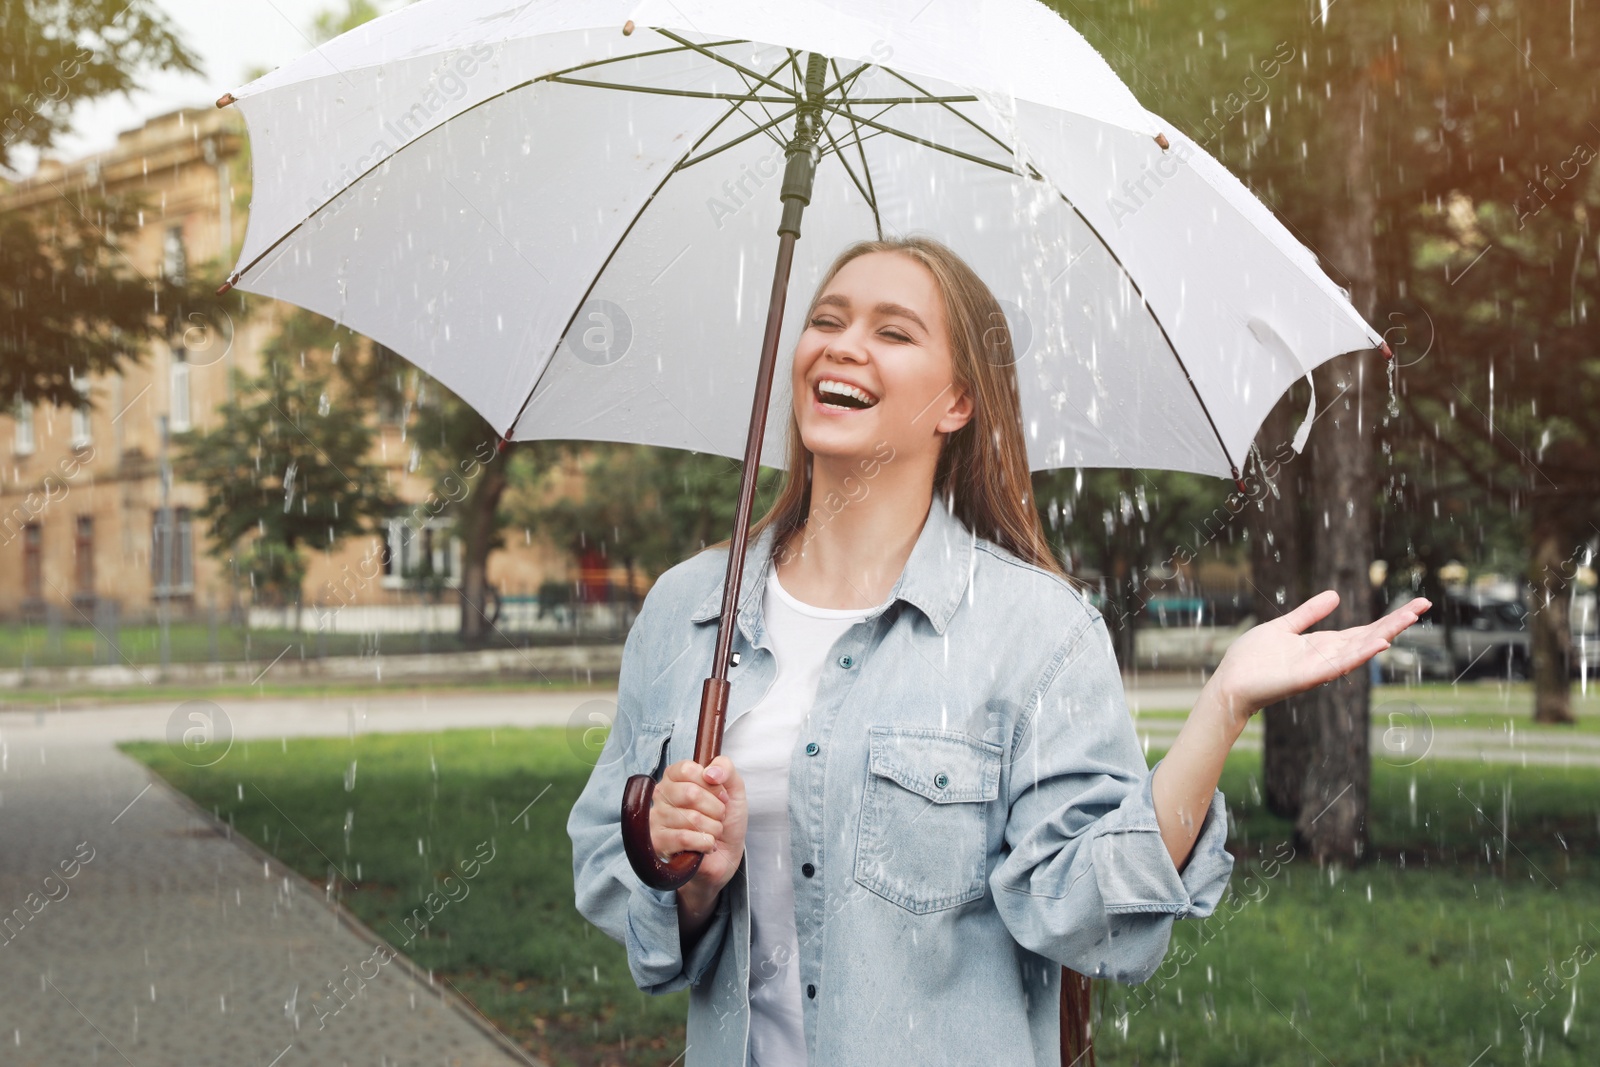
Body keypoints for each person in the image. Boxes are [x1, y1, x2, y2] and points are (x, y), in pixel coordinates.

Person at [567, 235, 1429, 1067]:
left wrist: (1221, 708)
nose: (843, 346)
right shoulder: (689, 610)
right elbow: (610, 868)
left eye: (893, 331)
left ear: (958, 403)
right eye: (826, 321)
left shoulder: (1035, 633)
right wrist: (689, 880)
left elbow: (1087, 913)